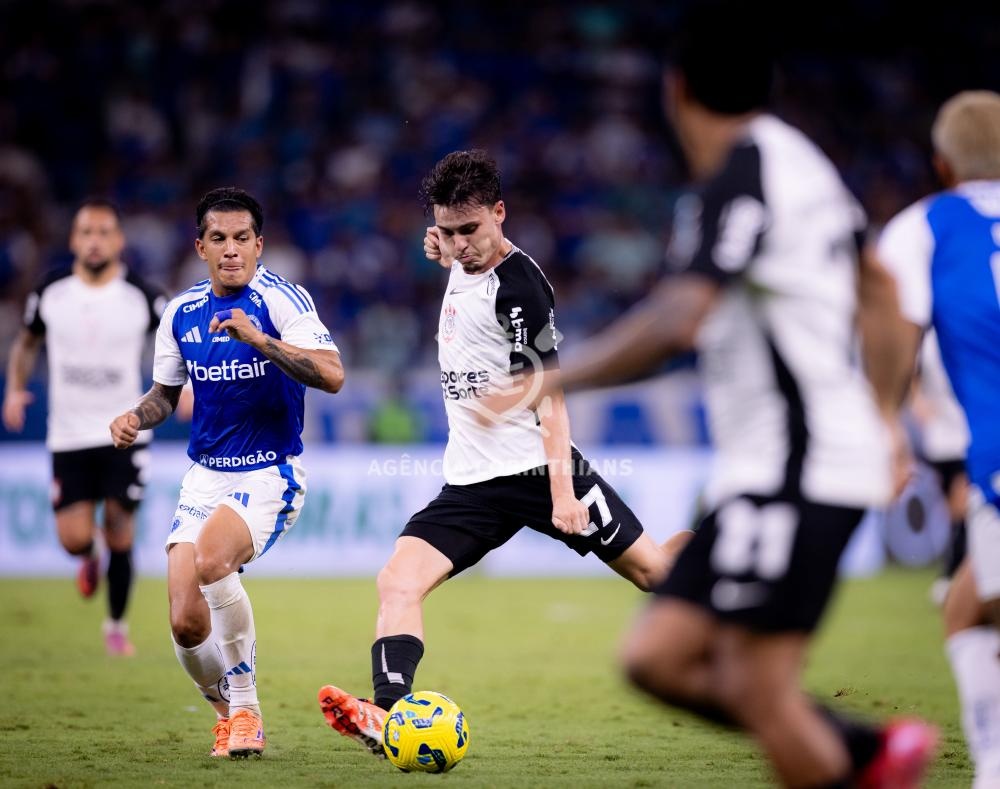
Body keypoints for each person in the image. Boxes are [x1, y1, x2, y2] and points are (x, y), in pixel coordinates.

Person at [479, 7, 939, 786]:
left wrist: (552, 377)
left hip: (798, 468)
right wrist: (886, 415)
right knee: (657, 657)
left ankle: (861, 760)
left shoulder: (741, 175)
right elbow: (883, 292)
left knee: (756, 684)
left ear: (676, 90)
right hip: (776, 467)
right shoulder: (807, 166)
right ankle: (864, 752)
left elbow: (677, 318)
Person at [315, 149, 689, 757]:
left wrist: (563, 495)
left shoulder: (520, 289)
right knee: (398, 581)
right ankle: (385, 714)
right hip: (472, 482)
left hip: (540, 470)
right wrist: (439, 247)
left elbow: (552, 397)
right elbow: (450, 255)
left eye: (471, 230)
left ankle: (718, 547)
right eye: (447, 232)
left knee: (656, 576)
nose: (460, 245)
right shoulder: (456, 252)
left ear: (500, 213)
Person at [109, 187, 344, 759]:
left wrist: (260, 340)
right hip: (204, 477)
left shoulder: (283, 300)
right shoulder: (181, 313)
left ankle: (247, 713)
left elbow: (333, 375)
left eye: (243, 238)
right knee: (185, 622)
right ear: (200, 247)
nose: (232, 249)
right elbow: (166, 395)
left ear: (260, 245)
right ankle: (225, 714)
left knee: (213, 559)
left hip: (270, 471)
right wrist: (136, 416)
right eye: (219, 239)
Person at [876, 89, 1000, 788]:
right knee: (968, 599)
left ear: (943, 165)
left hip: (996, 448)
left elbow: (897, 335)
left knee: (975, 605)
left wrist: (884, 426)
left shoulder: (925, 226)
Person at [2, 198, 167, 656]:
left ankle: (115, 626)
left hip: (127, 429)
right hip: (69, 433)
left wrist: (184, 386)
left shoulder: (143, 295)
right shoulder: (51, 291)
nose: (94, 241)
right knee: (74, 539)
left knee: (121, 529)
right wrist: (15, 389)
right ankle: (88, 556)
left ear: (118, 240)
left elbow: (177, 342)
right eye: (86, 232)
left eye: (103, 232)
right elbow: (26, 343)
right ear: (74, 240)